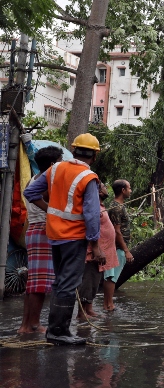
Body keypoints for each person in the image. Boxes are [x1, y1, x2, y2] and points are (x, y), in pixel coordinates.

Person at [24, 133, 105, 346]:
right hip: (74, 238)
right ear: (94, 156)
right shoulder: (88, 177)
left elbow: (30, 192)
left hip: (54, 236)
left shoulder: (55, 169)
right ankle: (59, 332)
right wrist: (95, 245)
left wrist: (50, 210)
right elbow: (91, 214)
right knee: (68, 283)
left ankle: (55, 330)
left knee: (60, 282)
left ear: (74, 150)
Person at [18, 146, 63, 334]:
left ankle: (26, 325)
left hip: (34, 231)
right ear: (53, 164)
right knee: (40, 283)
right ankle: (34, 324)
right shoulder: (47, 182)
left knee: (34, 281)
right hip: (43, 231)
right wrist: (53, 211)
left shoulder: (33, 180)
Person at [79, 183, 119, 320]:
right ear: (98, 191)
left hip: (102, 252)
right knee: (88, 280)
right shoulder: (93, 206)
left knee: (94, 281)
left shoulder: (100, 206)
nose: (105, 188)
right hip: (93, 251)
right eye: (103, 186)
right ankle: (81, 313)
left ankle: (88, 309)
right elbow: (90, 225)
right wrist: (96, 248)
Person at [103, 179, 134, 311]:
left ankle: (108, 304)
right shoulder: (116, 207)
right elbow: (117, 231)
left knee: (112, 276)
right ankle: (108, 304)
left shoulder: (118, 206)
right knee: (111, 276)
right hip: (116, 247)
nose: (131, 190)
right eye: (129, 188)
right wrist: (126, 250)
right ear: (123, 190)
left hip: (118, 247)